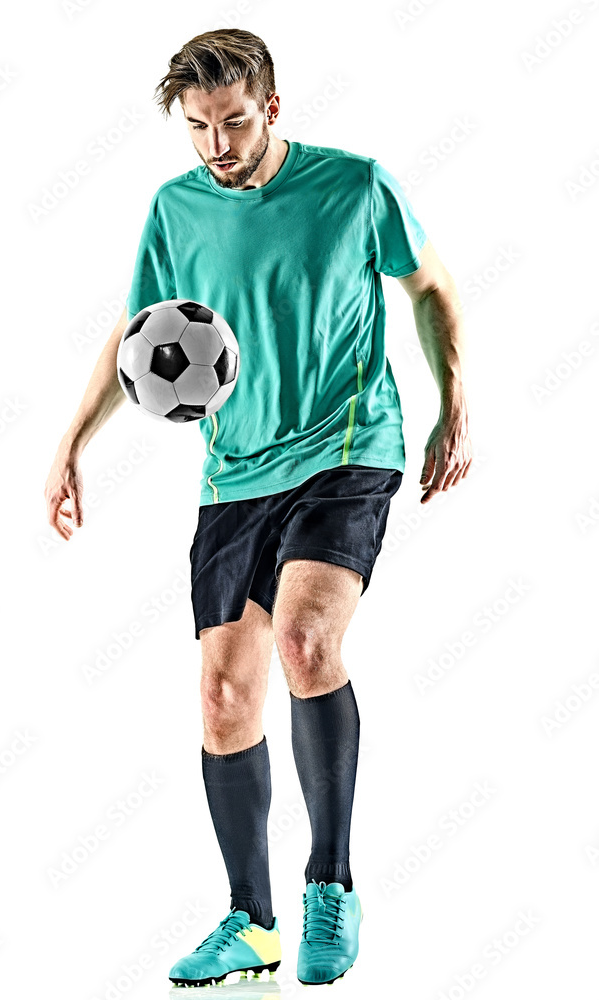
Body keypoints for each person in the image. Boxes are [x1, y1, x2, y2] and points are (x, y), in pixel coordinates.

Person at [44, 27, 472, 988]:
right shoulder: (176, 208)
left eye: (234, 122)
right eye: (198, 127)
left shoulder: (354, 185)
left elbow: (432, 287)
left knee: (306, 641)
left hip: (347, 446)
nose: (217, 145)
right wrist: (72, 442)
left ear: (272, 107)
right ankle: (252, 921)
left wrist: (455, 403)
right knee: (224, 698)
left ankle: (331, 885)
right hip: (236, 472)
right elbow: (137, 334)